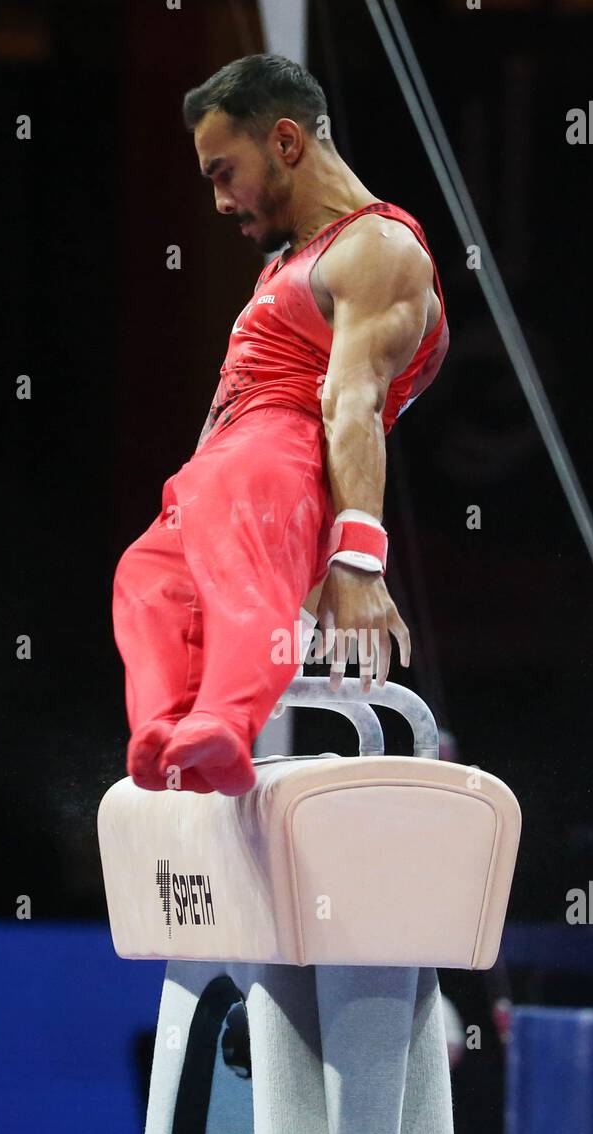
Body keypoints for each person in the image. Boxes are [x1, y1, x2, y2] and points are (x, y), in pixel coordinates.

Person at [112, 53, 449, 796]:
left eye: (222, 172)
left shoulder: (377, 248)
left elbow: (352, 401)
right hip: (225, 469)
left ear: (287, 143)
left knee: (243, 556)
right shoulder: (287, 264)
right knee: (148, 579)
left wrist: (357, 557)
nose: (220, 202)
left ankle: (225, 725)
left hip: (282, 450)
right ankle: (165, 730)